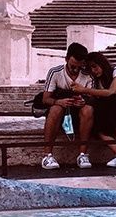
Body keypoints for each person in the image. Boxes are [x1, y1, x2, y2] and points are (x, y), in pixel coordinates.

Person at [71, 51, 116, 168]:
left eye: (95, 66)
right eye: (90, 69)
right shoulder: (96, 81)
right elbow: (99, 97)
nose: (94, 71)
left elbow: (111, 92)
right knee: (98, 124)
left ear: (101, 63)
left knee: (115, 109)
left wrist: (84, 90)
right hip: (110, 109)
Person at [40, 42, 94, 170]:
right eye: (72, 66)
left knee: (88, 110)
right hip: (60, 108)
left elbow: (92, 98)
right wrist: (58, 101)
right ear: (66, 59)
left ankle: (82, 154)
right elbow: (45, 99)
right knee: (55, 110)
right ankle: (47, 155)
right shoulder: (55, 72)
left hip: (79, 112)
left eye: (78, 67)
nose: (75, 70)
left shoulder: (87, 76)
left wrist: (83, 101)